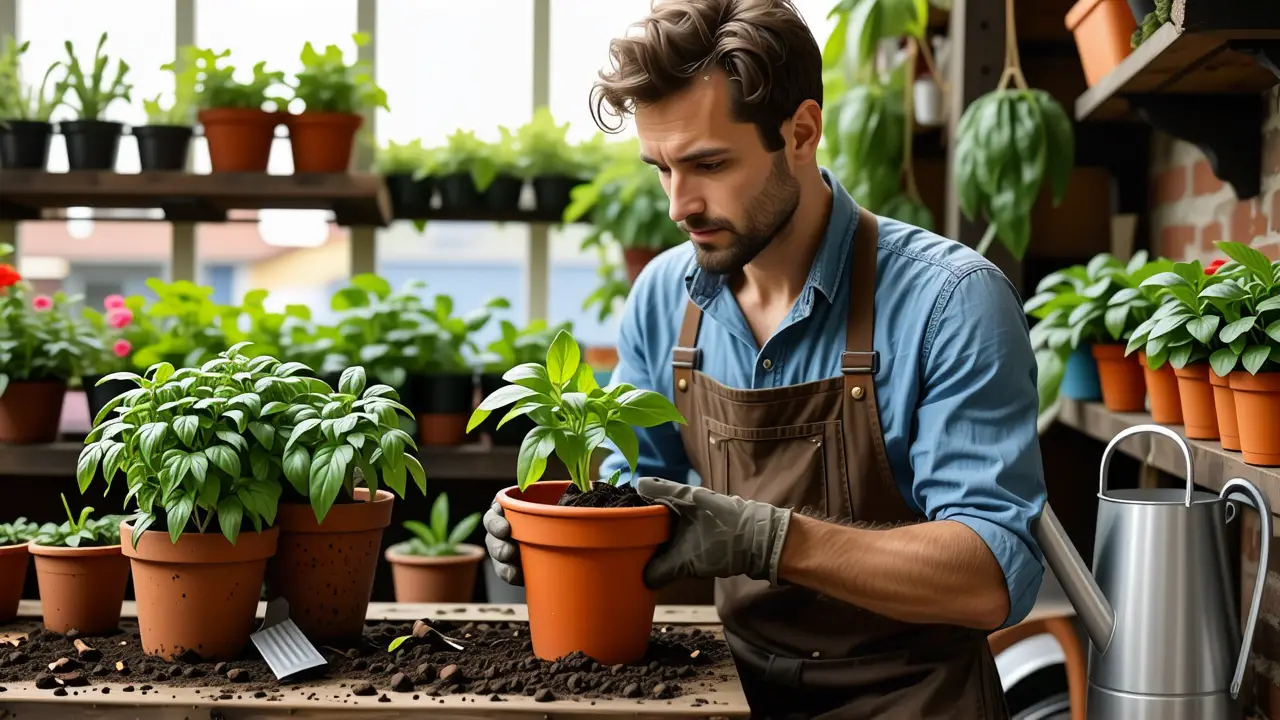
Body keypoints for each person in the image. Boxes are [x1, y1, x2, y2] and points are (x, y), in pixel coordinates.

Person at [483, 0, 1047, 717]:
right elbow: (630, 486)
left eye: (709, 164)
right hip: (731, 690)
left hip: (914, 697)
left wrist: (768, 538)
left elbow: (992, 575)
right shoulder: (665, 297)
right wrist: (554, 528)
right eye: (660, 168)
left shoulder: (951, 301)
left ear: (801, 132)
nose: (677, 205)